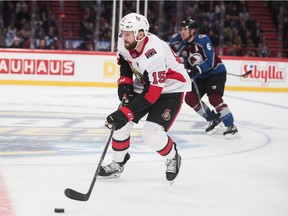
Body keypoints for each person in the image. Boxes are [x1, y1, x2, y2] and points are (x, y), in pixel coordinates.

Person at [99, 13, 191, 182]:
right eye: (122, 32)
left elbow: (153, 94)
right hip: (145, 84)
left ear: (140, 34)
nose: (123, 36)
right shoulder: (124, 41)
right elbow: (126, 62)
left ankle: (172, 157)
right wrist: (125, 84)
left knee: (151, 134)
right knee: (121, 126)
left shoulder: (154, 54)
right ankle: (118, 163)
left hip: (170, 90)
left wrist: (125, 112)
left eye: (128, 33)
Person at [177, 19, 239, 139]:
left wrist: (195, 70)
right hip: (200, 77)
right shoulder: (182, 47)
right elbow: (183, 65)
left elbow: (210, 62)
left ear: (193, 30)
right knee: (190, 98)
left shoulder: (203, 39)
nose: (182, 32)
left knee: (214, 98)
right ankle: (213, 118)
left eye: (185, 29)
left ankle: (231, 126)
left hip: (215, 73)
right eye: (181, 30)